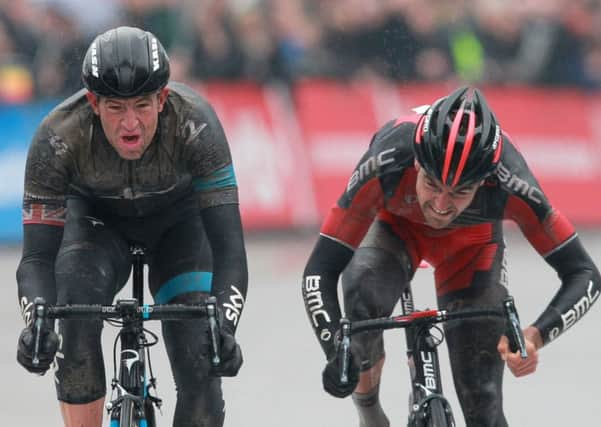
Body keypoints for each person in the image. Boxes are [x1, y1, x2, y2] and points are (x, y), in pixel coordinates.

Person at [301, 86, 600, 426]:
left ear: (485, 181)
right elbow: (320, 272)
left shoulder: (512, 183)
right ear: (417, 162)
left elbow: (585, 274)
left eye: (460, 192)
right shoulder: (386, 161)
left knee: (483, 400)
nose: (441, 206)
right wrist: (336, 349)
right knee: (361, 299)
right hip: (395, 228)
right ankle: (370, 412)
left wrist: (534, 335)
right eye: (431, 184)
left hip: (471, 245)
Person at [16, 26, 248, 427]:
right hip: (94, 223)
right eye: (115, 107)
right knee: (74, 320)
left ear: (162, 99)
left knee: (201, 362)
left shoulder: (197, 125)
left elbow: (229, 250)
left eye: (142, 105)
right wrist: (37, 320)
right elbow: (37, 259)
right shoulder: (57, 137)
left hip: (180, 224)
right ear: (92, 102)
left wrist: (224, 324)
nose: (130, 123)